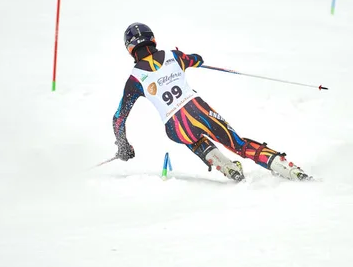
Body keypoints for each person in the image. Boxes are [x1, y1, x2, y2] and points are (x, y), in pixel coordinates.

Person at [113, 22, 311, 181]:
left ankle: (222, 163)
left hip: (174, 126)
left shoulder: (134, 80)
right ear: (153, 40)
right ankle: (285, 167)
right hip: (198, 110)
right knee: (238, 144)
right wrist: (191, 59)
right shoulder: (173, 56)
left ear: (130, 49)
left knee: (191, 137)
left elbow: (118, 118)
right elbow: (196, 59)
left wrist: (123, 146)